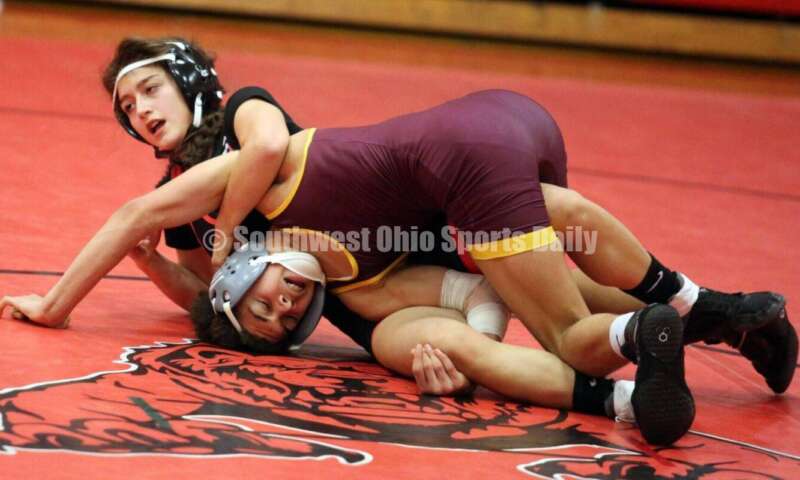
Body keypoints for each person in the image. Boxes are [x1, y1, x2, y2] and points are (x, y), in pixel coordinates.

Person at [1, 38, 794, 445]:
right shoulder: (182, 209)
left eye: (147, 88)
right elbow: (207, 294)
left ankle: (695, 320)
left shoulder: (243, 119)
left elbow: (267, 154)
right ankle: (678, 344)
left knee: (569, 289)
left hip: (414, 228)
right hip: (364, 292)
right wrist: (155, 272)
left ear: (191, 78)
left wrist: (56, 303)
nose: (138, 109)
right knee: (474, 343)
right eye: (125, 107)